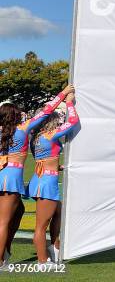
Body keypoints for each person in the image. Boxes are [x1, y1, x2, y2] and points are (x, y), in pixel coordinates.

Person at [0, 85, 73, 269]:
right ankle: (0, 261)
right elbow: (47, 110)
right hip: (11, 180)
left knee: (19, 212)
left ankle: (6, 252)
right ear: (14, 116)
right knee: (4, 221)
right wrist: (64, 95)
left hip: (3, 176)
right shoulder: (23, 128)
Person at [28, 90, 79, 264]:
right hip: (46, 183)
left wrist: (59, 167)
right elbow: (73, 121)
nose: (59, 120)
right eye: (57, 118)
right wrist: (70, 102)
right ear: (49, 121)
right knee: (41, 226)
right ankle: (43, 262)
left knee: (59, 211)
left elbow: (44, 159)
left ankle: (54, 246)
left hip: (40, 180)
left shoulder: (36, 137)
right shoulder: (49, 135)